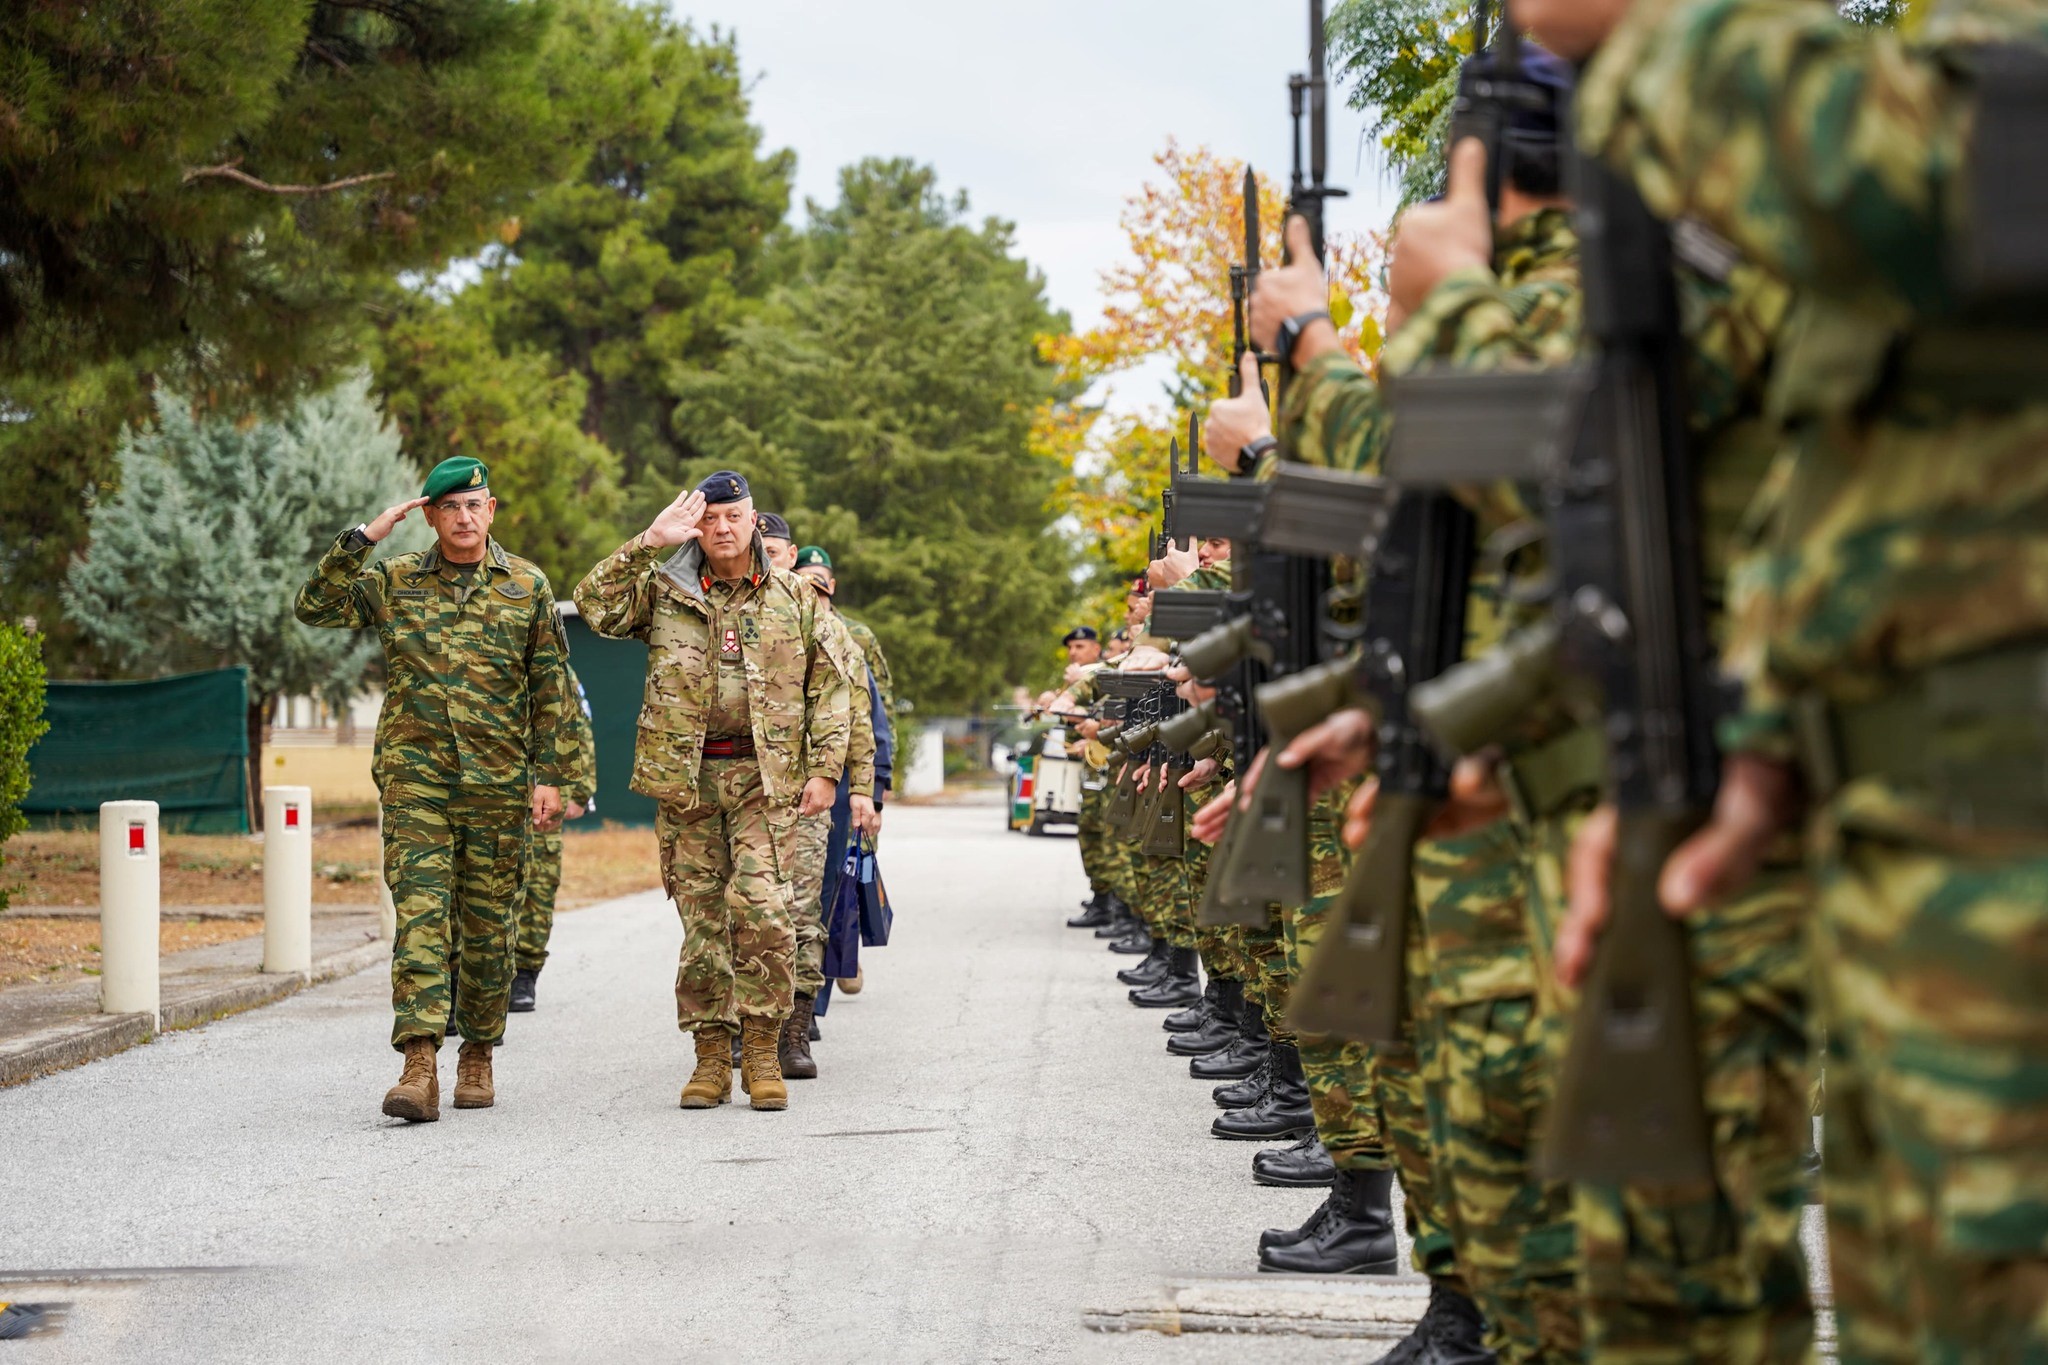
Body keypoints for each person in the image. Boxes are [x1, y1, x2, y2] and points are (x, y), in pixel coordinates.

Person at [1509, 3, 2048, 1359]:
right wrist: (1761, 744)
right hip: (1921, 868)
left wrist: (1651, 31)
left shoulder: (1974, 90)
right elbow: (1907, 498)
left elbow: (1910, 172)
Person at [294, 455, 571, 1123]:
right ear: (431, 514)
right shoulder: (395, 581)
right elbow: (314, 605)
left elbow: (551, 686)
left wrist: (552, 775)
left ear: (492, 509)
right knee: (420, 917)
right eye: (450, 506)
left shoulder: (526, 584)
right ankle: (419, 1063)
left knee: (486, 929)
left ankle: (477, 1051)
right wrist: (365, 537)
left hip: (500, 784)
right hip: (418, 780)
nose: (464, 517)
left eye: (475, 504)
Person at [573, 471, 856, 1113]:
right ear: (695, 526)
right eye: (710, 520)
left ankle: (760, 1048)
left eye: (734, 517)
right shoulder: (665, 591)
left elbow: (831, 687)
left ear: (755, 520)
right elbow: (593, 604)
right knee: (702, 922)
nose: (722, 530)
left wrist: (825, 770)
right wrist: (649, 540)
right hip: (687, 781)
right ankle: (708, 1056)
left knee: (761, 909)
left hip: (766, 778)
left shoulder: (794, 596)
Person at [789, 545, 890, 1075]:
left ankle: (798, 1023)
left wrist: (868, 790)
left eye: (821, 591)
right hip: (757, 792)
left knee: (813, 906)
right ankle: (741, 1028)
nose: (814, 601)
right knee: (754, 909)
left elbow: (868, 720)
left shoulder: (847, 644)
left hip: (820, 792)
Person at [510, 658, 597, 1012]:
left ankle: (525, 975)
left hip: (544, 792)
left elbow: (578, 725)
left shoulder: (557, 668)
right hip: (493, 788)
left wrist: (580, 790)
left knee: (540, 886)